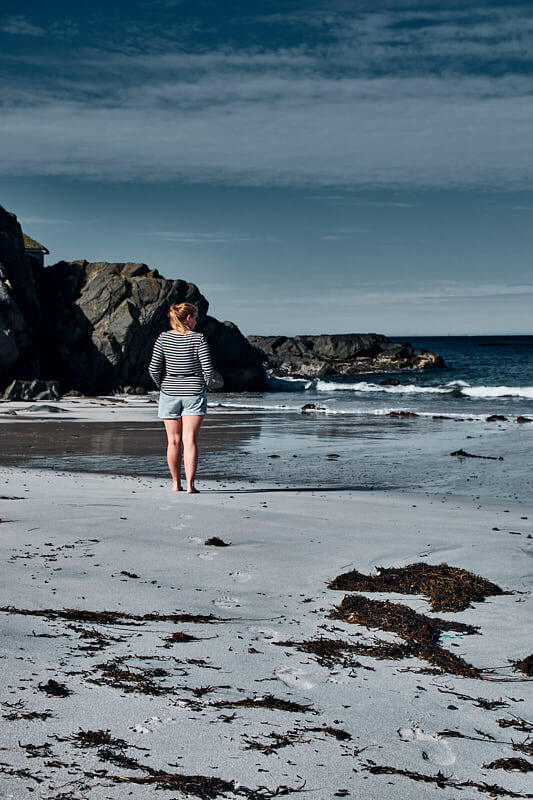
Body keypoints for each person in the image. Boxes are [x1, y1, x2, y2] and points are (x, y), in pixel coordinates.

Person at [149, 302, 213, 493]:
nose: (196, 321)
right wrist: (203, 384)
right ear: (188, 318)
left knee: (173, 441)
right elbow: (208, 369)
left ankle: (176, 484)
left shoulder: (163, 338)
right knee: (190, 440)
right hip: (194, 393)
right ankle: (191, 486)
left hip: (169, 393)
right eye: (195, 317)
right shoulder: (198, 339)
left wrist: (163, 384)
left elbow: (153, 368)